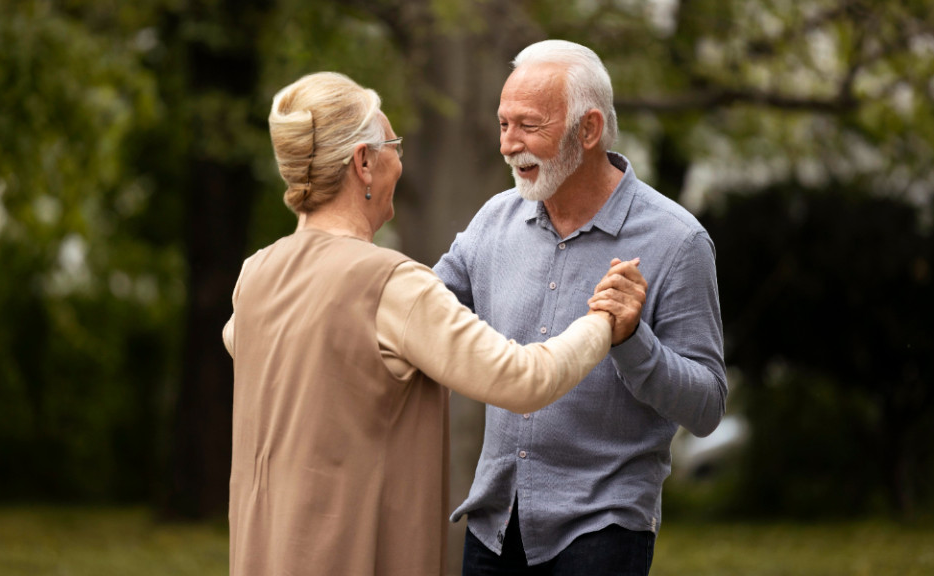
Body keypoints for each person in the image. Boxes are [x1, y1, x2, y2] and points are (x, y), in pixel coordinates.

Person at [222, 71, 636, 576]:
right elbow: (524, 378)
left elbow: (243, 341)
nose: (401, 158)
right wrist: (603, 321)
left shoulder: (256, 276)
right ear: (364, 163)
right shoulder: (389, 285)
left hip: (266, 554)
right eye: (393, 144)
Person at [434, 40, 728, 575]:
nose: (508, 144)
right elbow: (424, 308)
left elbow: (707, 407)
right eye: (503, 125)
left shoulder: (678, 241)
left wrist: (633, 341)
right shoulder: (493, 221)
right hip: (494, 525)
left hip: (603, 529)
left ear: (588, 130)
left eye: (528, 125)